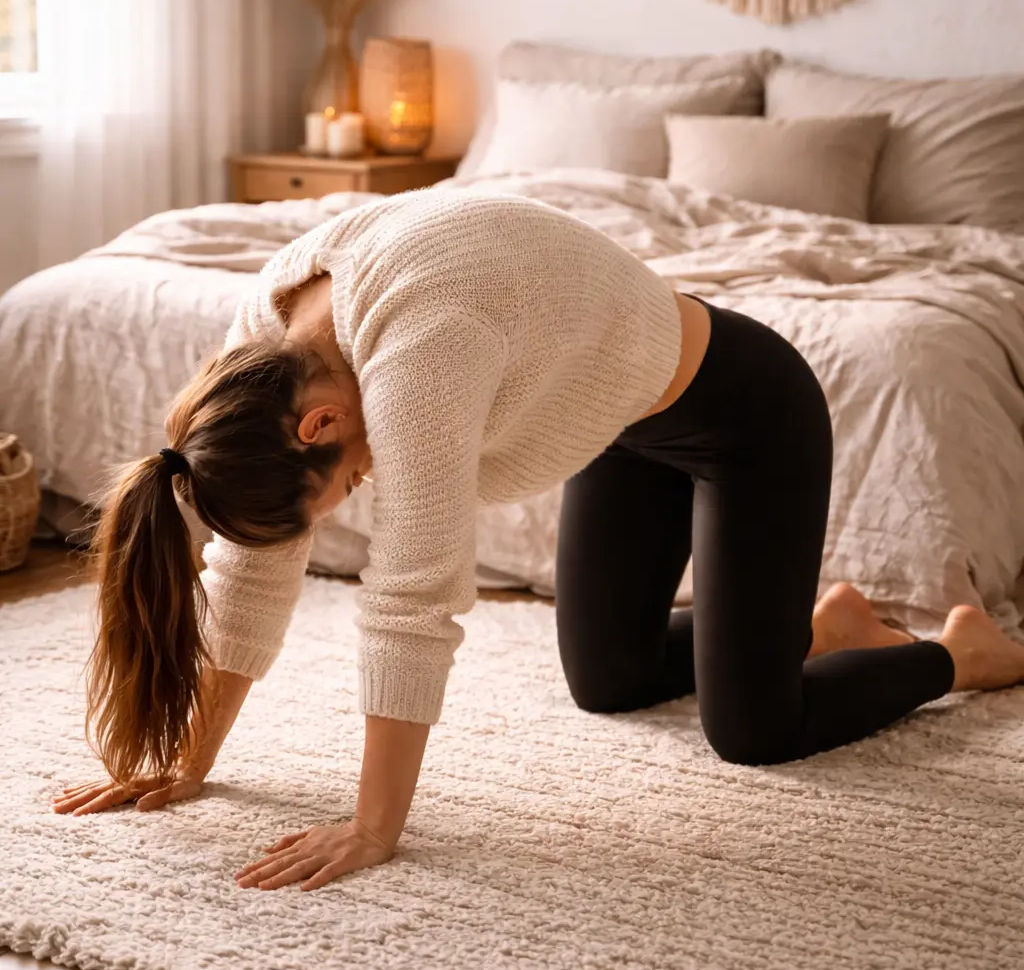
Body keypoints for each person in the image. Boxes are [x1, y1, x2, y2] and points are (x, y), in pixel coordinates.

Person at [54, 183, 1024, 890]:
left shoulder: (414, 354)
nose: (365, 483)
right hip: (618, 420)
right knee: (607, 678)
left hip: (749, 417)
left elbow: (411, 600)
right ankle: (813, 627)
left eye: (345, 480)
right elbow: (254, 562)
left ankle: (953, 653)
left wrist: (373, 825)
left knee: (755, 732)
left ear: (320, 426)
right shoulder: (264, 341)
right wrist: (190, 761)